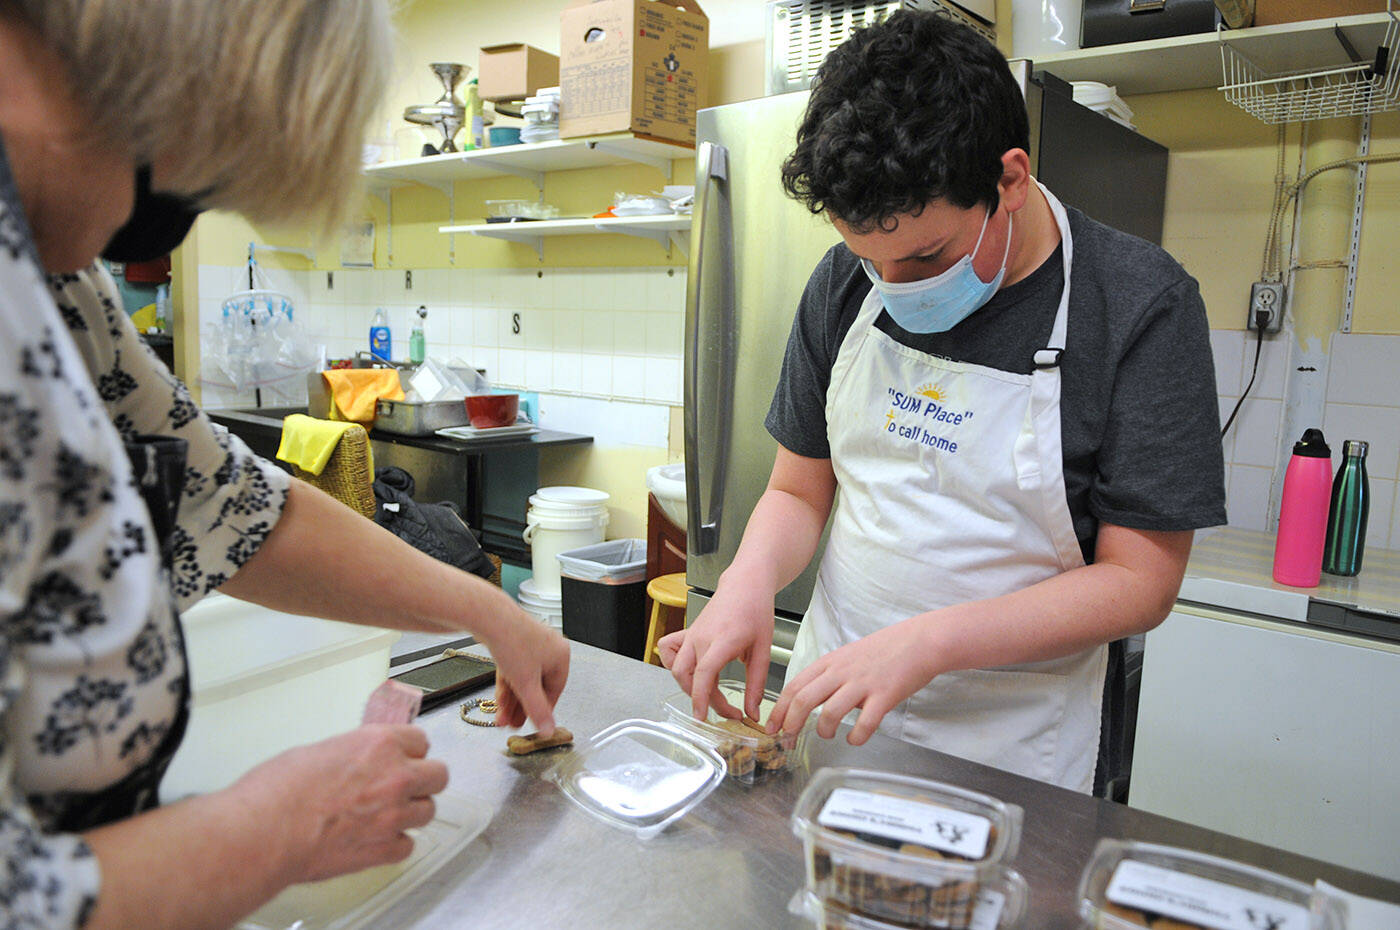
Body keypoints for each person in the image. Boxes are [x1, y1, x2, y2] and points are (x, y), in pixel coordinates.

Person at [0, 1, 569, 926]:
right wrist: (277, 830)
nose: (150, 236)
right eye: (201, 184)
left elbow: (229, 504)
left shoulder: (61, 286)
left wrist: (487, 611)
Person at [661, 11, 1226, 795]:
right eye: (870, 260)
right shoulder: (839, 284)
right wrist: (749, 582)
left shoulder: (1137, 305)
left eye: (927, 255)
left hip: (1013, 743)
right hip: (831, 709)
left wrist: (927, 643)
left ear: (1011, 180)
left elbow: (1140, 582)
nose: (893, 287)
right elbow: (798, 488)